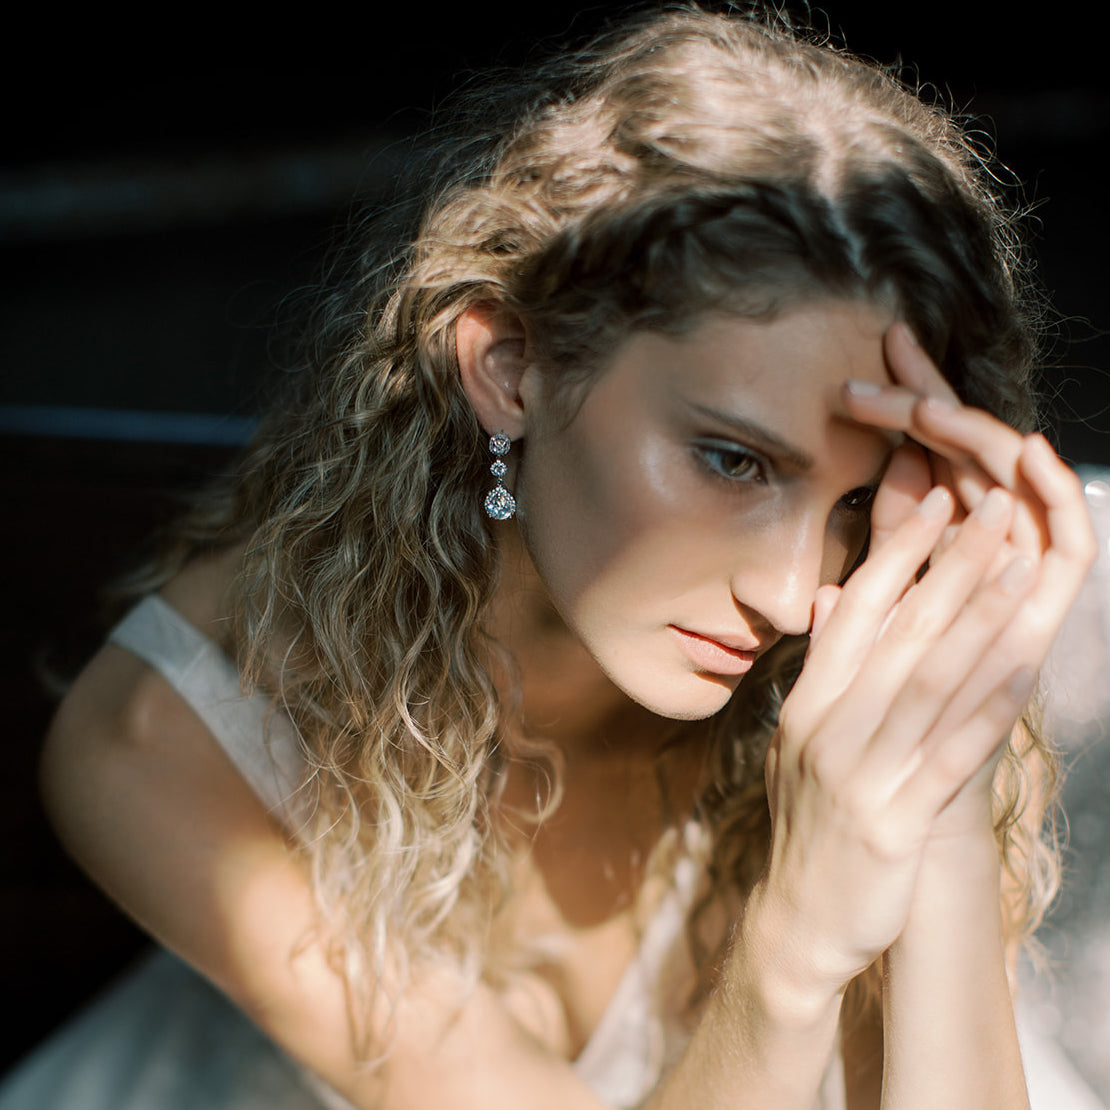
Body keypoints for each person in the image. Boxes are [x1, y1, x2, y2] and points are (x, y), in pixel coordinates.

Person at [3, 5, 1102, 1108]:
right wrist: (794, 949)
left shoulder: (843, 641)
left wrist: (950, 784)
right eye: (731, 460)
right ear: (512, 366)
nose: (791, 596)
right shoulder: (164, 738)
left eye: (857, 499)